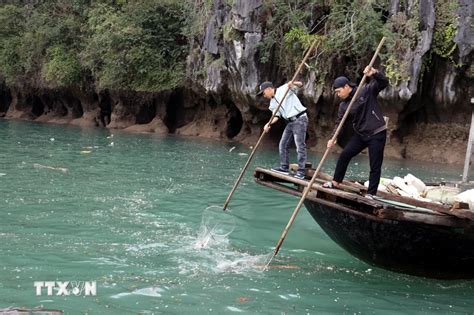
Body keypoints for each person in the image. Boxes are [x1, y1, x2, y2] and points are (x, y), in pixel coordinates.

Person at [325, 66, 388, 196]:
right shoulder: (343, 106)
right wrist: (333, 137)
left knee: (375, 165)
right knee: (344, 155)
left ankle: (371, 194)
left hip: (377, 132)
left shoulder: (365, 91)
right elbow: (339, 122)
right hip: (361, 134)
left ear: (347, 86)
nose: (338, 94)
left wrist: (374, 73)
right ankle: (336, 182)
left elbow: (383, 83)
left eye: (339, 91)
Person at [257, 81, 308, 179]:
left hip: (299, 119)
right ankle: (284, 167)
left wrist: (293, 83)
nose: (263, 96)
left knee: (299, 146)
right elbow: (276, 115)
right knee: (283, 144)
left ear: (268, 89)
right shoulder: (272, 102)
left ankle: (301, 171)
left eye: (263, 93)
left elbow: (301, 85)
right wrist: (269, 123)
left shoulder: (284, 89)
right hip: (290, 122)